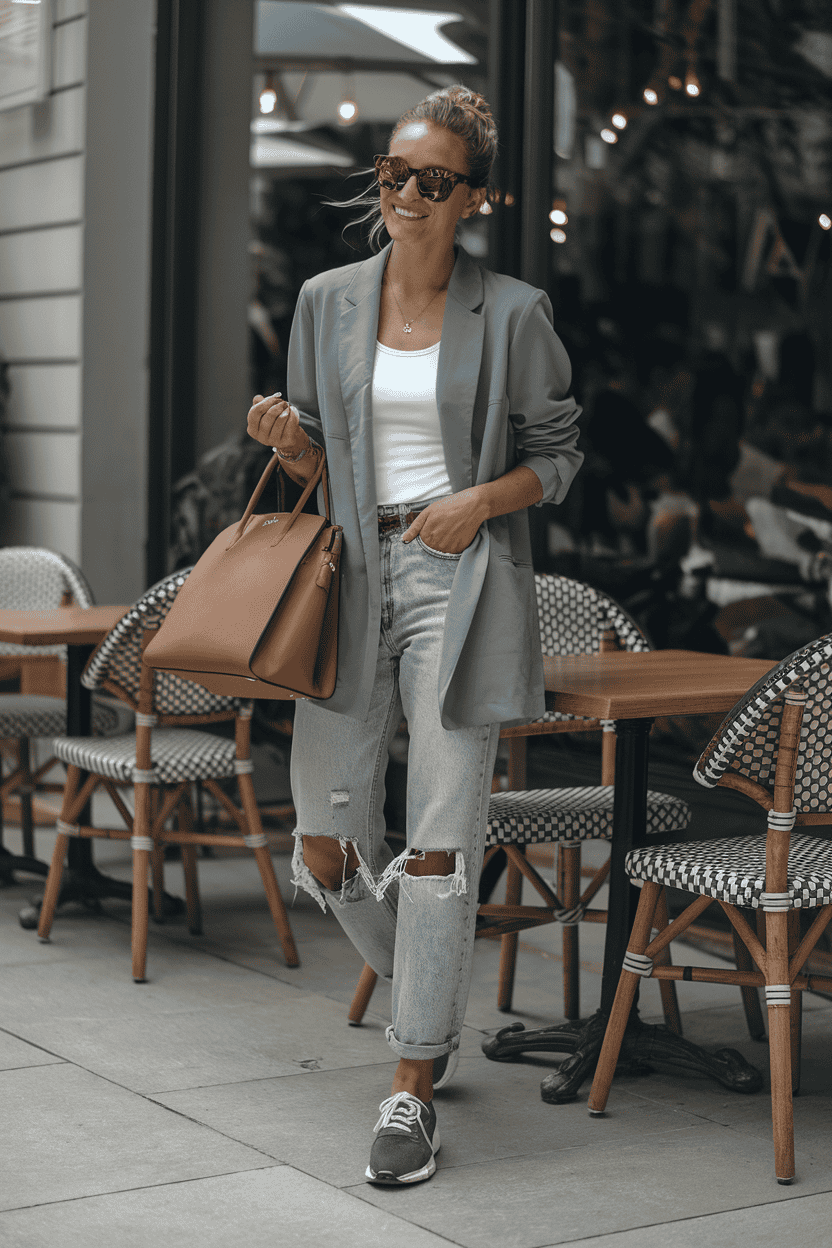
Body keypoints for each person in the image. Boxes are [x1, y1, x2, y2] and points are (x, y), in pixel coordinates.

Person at [246, 85, 583, 1187]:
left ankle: (412, 1087)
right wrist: (288, 445)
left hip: (459, 574)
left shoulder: (514, 311)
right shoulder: (325, 300)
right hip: (349, 572)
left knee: (439, 842)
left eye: (432, 180)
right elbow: (314, 463)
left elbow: (559, 456)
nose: (405, 195)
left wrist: (478, 502)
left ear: (473, 197)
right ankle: (425, 995)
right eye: (392, 173)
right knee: (327, 848)